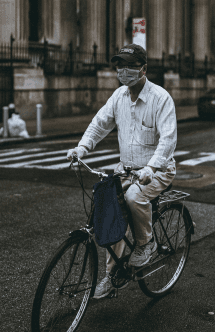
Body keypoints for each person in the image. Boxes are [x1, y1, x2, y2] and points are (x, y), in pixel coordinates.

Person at [67, 44, 177, 299]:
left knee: (133, 197)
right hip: (126, 169)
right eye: (119, 65)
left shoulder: (160, 98)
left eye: (129, 66)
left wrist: (151, 167)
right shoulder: (118, 96)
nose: (122, 71)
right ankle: (111, 275)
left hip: (158, 170)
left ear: (143, 69)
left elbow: (168, 140)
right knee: (111, 211)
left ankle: (146, 243)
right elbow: (99, 124)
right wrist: (82, 148)